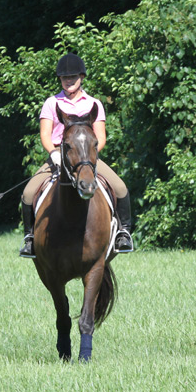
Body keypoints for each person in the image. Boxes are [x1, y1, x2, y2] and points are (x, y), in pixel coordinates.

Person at [18, 53, 134, 258]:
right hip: (58, 157)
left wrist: (90, 156)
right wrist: (53, 153)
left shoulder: (93, 103)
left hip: (87, 158)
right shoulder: (51, 103)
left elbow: (100, 136)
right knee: (28, 193)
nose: (68, 81)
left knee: (121, 188)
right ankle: (30, 239)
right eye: (64, 77)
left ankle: (123, 233)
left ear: (81, 77)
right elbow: (45, 134)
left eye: (72, 77)